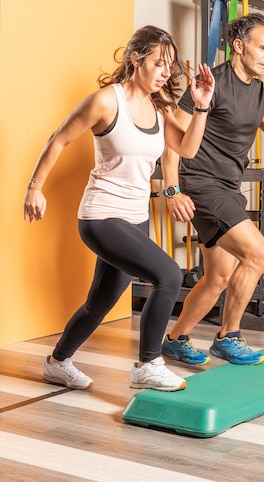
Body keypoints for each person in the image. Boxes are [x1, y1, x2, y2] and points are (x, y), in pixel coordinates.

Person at [23, 25, 214, 392]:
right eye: (158, 63)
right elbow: (58, 138)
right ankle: (148, 364)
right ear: (135, 59)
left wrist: (202, 105)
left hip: (135, 218)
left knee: (101, 302)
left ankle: (57, 362)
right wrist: (35, 187)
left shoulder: (160, 108)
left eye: (168, 66)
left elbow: (187, 149)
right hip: (101, 216)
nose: (164, 72)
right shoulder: (106, 101)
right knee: (169, 275)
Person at [161, 12, 264, 366]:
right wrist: (172, 190)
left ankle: (174, 339)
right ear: (239, 46)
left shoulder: (260, 93)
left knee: (218, 275)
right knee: (258, 253)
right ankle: (228, 336)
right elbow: (173, 140)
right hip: (201, 184)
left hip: (228, 188)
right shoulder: (210, 83)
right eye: (262, 47)